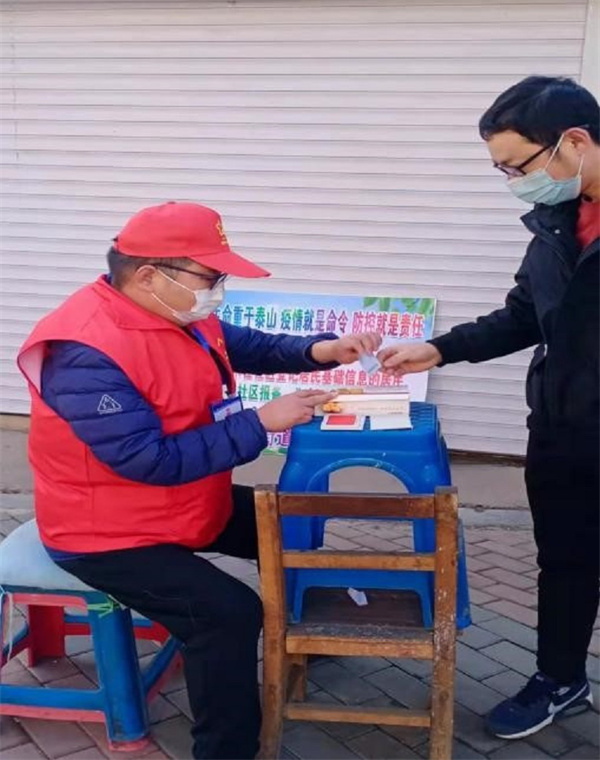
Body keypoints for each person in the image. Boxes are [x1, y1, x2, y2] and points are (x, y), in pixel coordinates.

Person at [17, 201, 382, 760]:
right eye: (210, 278)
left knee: (292, 526)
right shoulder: (84, 351)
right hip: (105, 532)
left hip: (180, 500)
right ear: (148, 274)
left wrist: (324, 350)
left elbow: (245, 344)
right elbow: (147, 460)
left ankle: (300, 639)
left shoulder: (177, 310)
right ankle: (225, 749)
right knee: (227, 614)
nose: (218, 292)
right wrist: (259, 422)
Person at [378, 76, 599, 740]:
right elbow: (524, 315)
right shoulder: (557, 223)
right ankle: (560, 678)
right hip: (563, 428)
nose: (513, 182)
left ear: (575, 142)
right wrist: (439, 349)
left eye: (517, 166)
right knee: (565, 559)